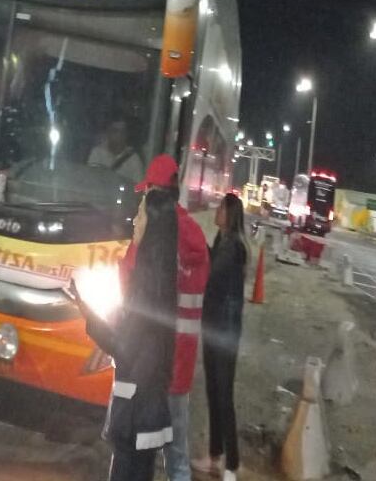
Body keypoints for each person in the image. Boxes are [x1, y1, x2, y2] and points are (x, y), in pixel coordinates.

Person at [69, 188, 179, 481]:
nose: (134, 220)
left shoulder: (145, 283)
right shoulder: (163, 277)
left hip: (135, 414)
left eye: (141, 214)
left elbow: (123, 348)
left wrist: (87, 312)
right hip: (149, 409)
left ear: (153, 225)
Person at [121, 154, 210, 481]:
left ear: (156, 194)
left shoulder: (154, 239)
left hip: (150, 359)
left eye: (148, 193)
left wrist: (137, 238)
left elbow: (128, 280)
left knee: (135, 446)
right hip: (181, 361)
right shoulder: (195, 237)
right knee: (177, 453)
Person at [193, 193, 249, 481]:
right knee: (214, 393)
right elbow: (210, 264)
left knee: (223, 396)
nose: (216, 211)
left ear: (230, 214)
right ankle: (215, 457)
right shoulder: (222, 240)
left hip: (225, 332)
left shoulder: (235, 247)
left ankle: (231, 465)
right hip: (214, 326)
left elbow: (211, 276)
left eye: (221, 209)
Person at [88, 116, 146, 183]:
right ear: (108, 133)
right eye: (115, 131)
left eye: (123, 132)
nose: (119, 135)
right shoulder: (97, 153)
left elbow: (139, 187)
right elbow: (90, 180)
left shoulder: (134, 159)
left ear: (127, 134)